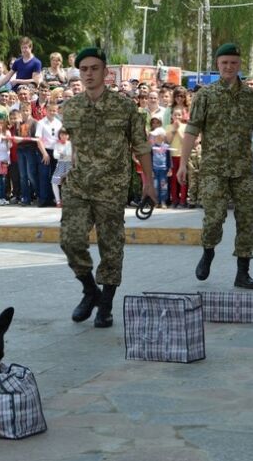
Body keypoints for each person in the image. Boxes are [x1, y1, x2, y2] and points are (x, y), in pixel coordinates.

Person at [60, 47, 156, 328]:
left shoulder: (125, 107)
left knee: (111, 247)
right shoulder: (72, 107)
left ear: (106, 72)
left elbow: (141, 146)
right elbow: (75, 147)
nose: (89, 74)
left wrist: (148, 183)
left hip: (112, 188)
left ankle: (106, 304)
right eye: (84, 69)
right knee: (70, 240)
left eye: (94, 68)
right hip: (79, 186)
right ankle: (90, 291)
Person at [176, 43, 253, 289]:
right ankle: (208, 252)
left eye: (233, 62)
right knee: (213, 218)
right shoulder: (206, 95)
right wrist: (183, 163)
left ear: (239, 65)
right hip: (213, 169)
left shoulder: (251, 97)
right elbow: (191, 130)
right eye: (224, 63)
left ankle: (243, 272)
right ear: (218, 65)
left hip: (242, 169)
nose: (229, 67)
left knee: (247, 220)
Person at [150, 127, 172, 209]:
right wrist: (151, 169)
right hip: (155, 169)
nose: (154, 138)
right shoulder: (152, 147)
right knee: (156, 186)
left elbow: (169, 158)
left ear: (162, 136)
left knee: (163, 186)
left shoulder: (166, 147)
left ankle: (163, 202)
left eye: (156, 136)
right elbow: (150, 158)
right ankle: (157, 202)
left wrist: (169, 168)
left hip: (163, 169)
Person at [51, 128, 72, 208]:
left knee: (69, 182)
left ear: (68, 135)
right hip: (60, 164)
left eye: (65, 134)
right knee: (54, 181)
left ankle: (68, 200)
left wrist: (62, 154)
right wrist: (63, 154)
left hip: (69, 164)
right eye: (62, 134)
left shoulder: (70, 143)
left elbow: (69, 153)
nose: (63, 136)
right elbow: (55, 155)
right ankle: (58, 201)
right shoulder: (57, 144)